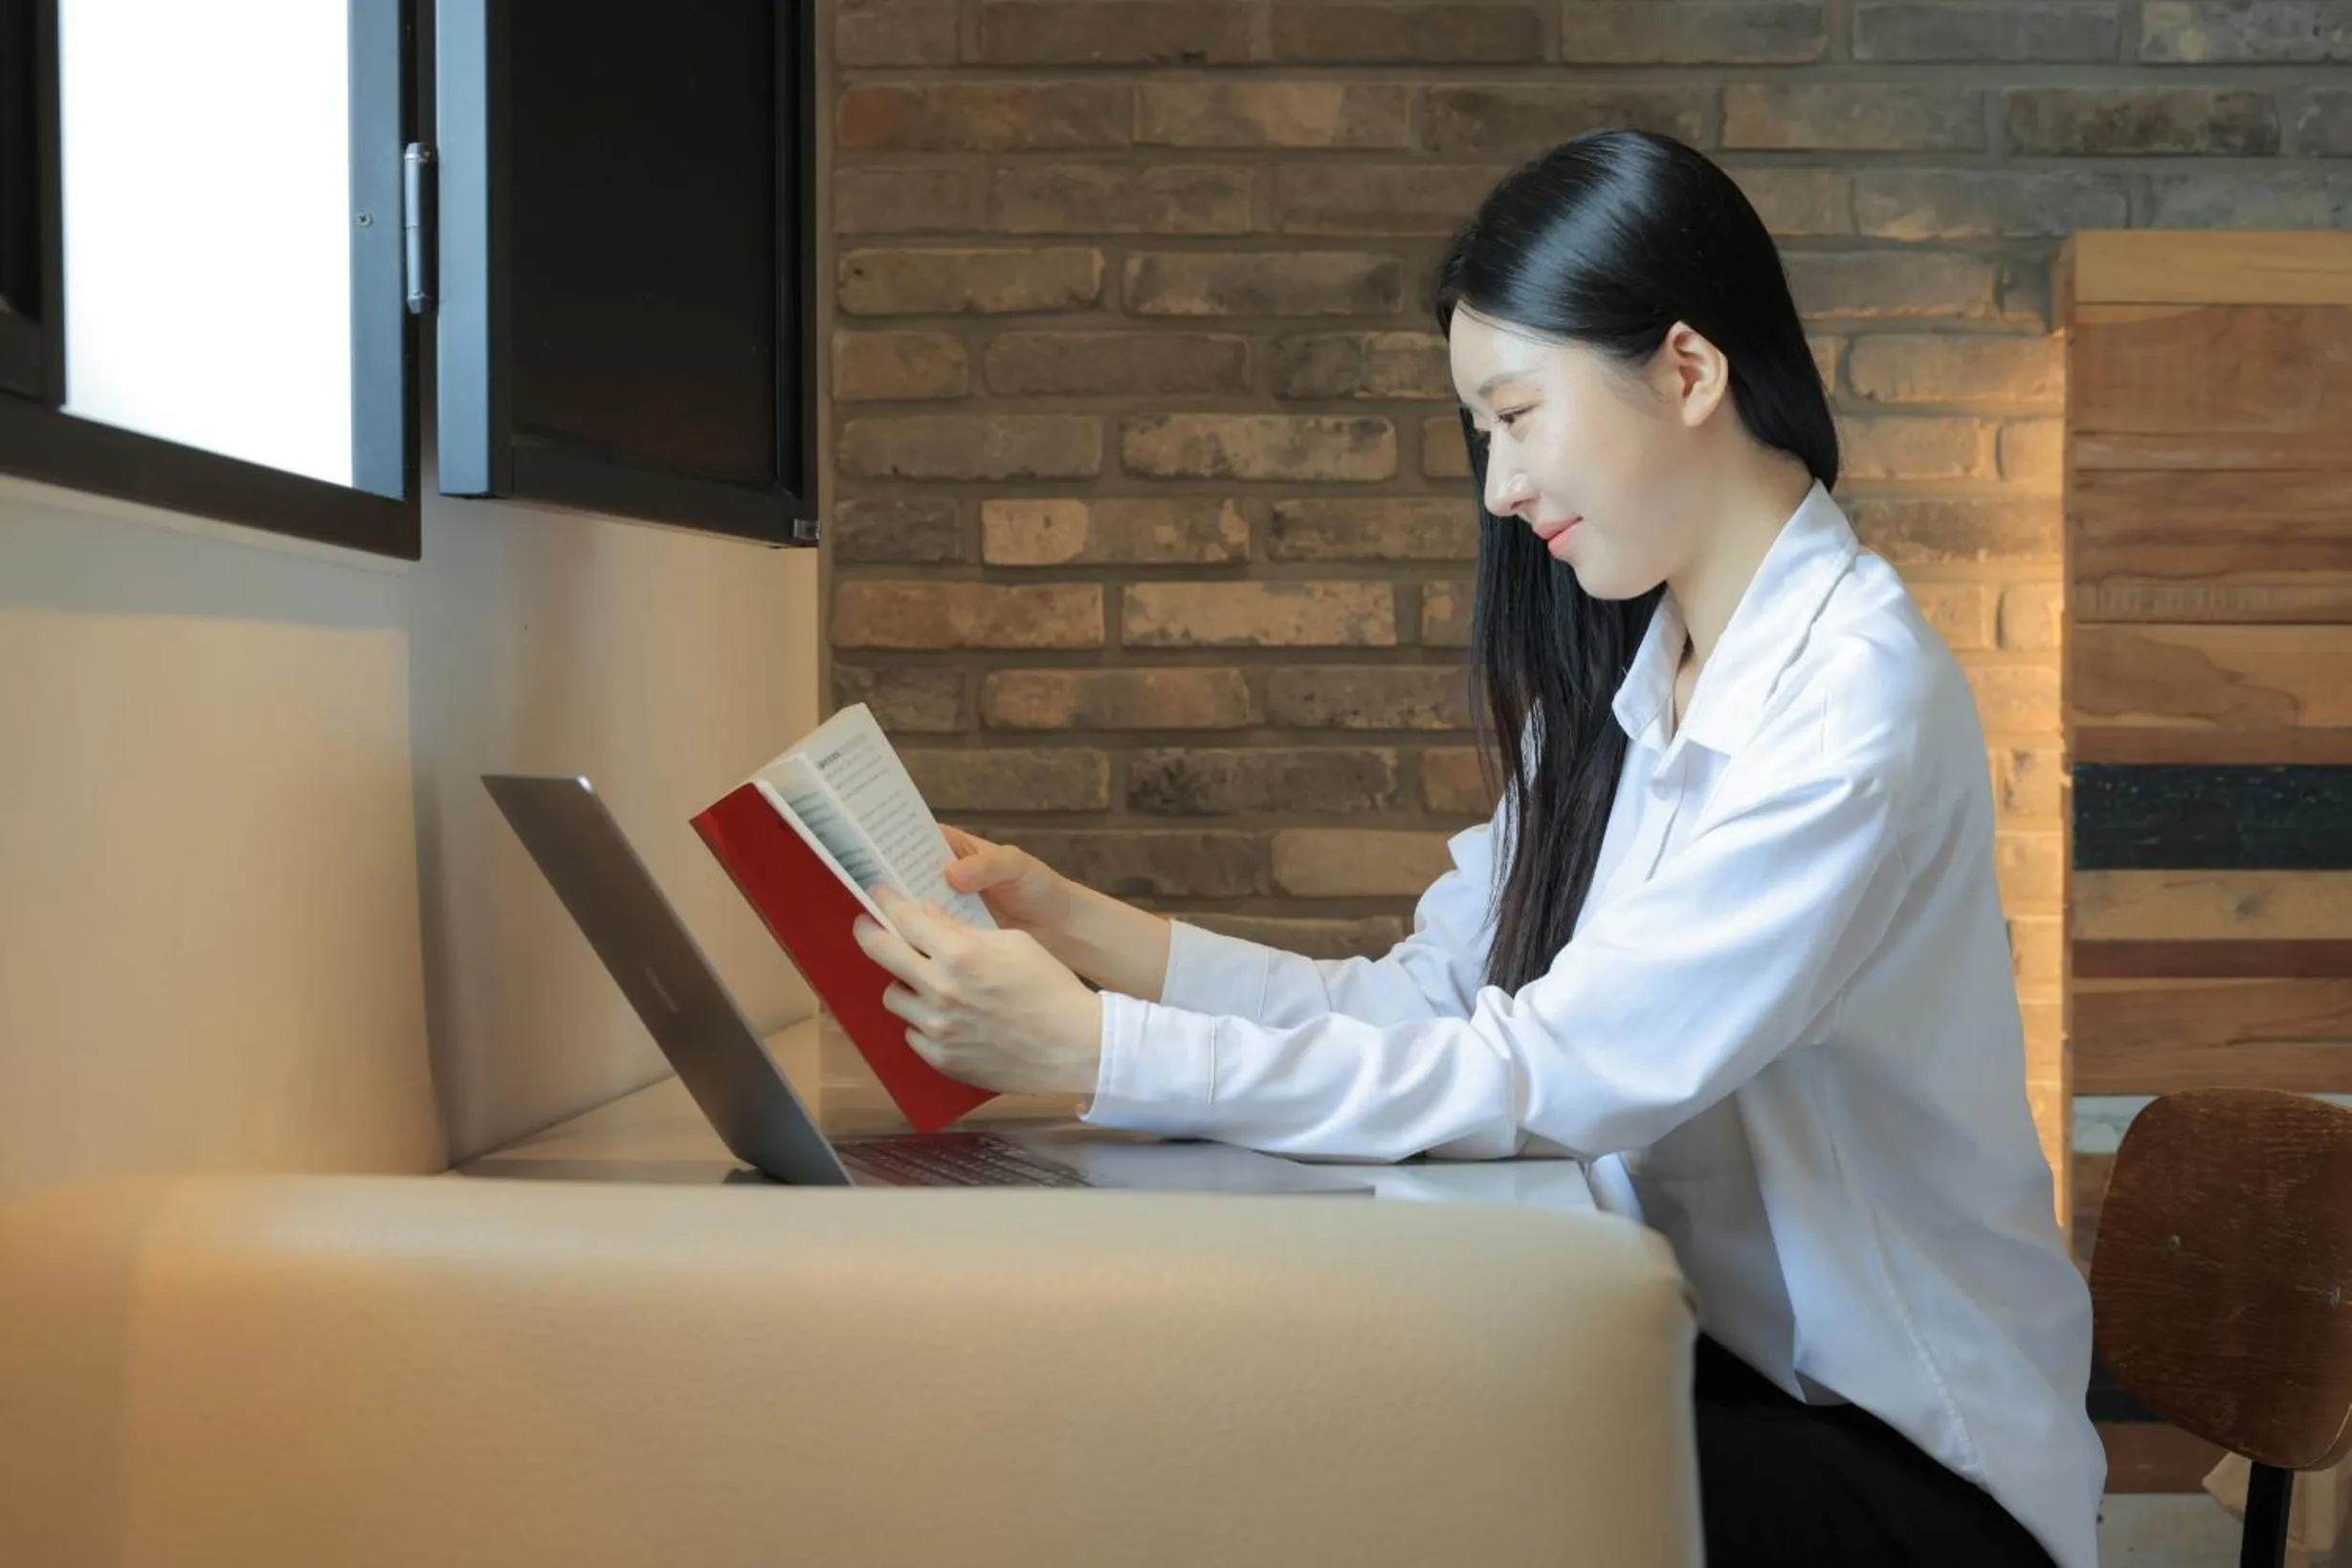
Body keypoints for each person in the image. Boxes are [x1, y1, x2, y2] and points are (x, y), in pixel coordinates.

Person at [852, 127, 2101, 1568]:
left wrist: (1100, 1056)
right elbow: (1441, 1000)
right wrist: (1082, 931)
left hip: (1907, 1465)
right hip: (1713, 1370)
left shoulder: (1846, 701)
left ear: (1688, 373)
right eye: (1483, 435)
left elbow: (1548, 1074)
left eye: (1513, 416)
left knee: (1330, 1463)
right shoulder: (1636, 680)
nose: (1497, 487)